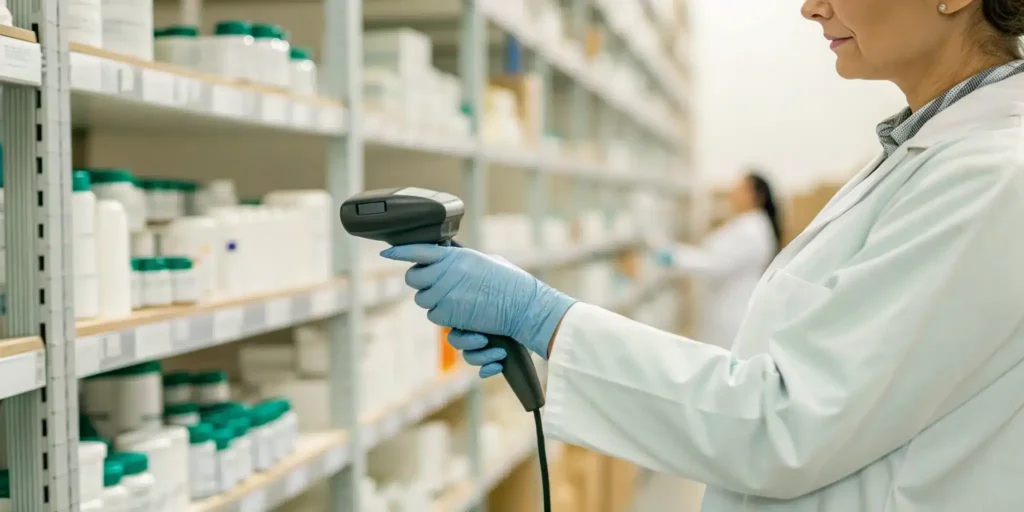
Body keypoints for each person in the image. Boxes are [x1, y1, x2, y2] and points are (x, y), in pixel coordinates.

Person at [382, 0, 1024, 509]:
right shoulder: (919, 154)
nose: (810, 7)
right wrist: (555, 339)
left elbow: (785, 425)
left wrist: (546, 319)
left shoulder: (991, 177)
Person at [655, 171, 782, 349]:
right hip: (723, 313)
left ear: (755, 196)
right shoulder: (744, 224)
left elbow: (715, 263)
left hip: (731, 318)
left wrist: (675, 256)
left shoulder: (751, 230)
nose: (732, 191)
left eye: (739, 188)